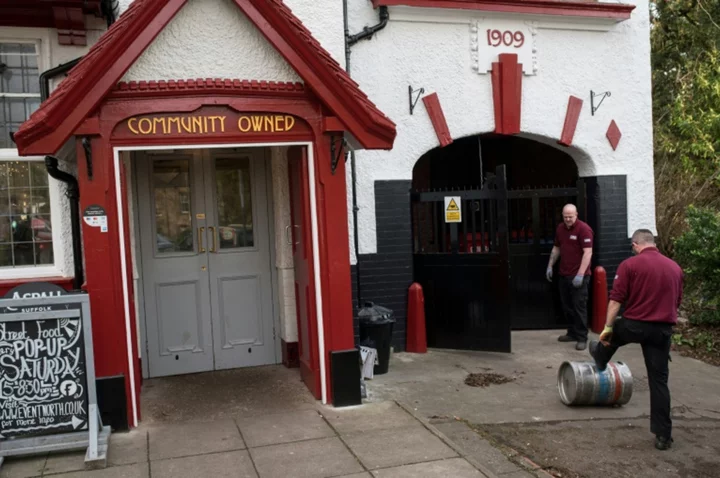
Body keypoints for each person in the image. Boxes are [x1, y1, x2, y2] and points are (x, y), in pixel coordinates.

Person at [590, 229, 682, 451]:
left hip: (635, 326)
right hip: (661, 331)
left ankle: (600, 356)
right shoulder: (675, 268)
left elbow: (615, 301)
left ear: (635, 244)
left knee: (614, 332)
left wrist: (606, 329)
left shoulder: (630, 265)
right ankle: (663, 436)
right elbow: (676, 302)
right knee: (659, 382)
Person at [546, 204, 593, 350]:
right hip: (564, 274)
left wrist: (580, 274)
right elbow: (557, 248)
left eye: (570, 217)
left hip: (579, 276)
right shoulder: (560, 228)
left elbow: (588, 252)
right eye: (565, 216)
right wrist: (550, 265)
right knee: (567, 307)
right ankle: (572, 332)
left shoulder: (584, 229)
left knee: (579, 308)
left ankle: (582, 337)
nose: (568, 219)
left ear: (576, 214)